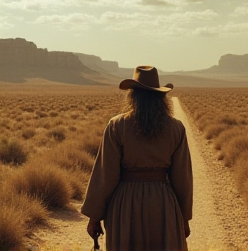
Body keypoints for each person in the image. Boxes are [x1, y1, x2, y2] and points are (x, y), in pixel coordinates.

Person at [81, 66, 193, 251]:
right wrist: (184, 218)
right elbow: (183, 179)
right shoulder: (176, 128)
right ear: (160, 97)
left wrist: (95, 217)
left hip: (125, 205)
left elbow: (105, 176)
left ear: (133, 96)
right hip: (162, 204)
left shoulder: (117, 126)